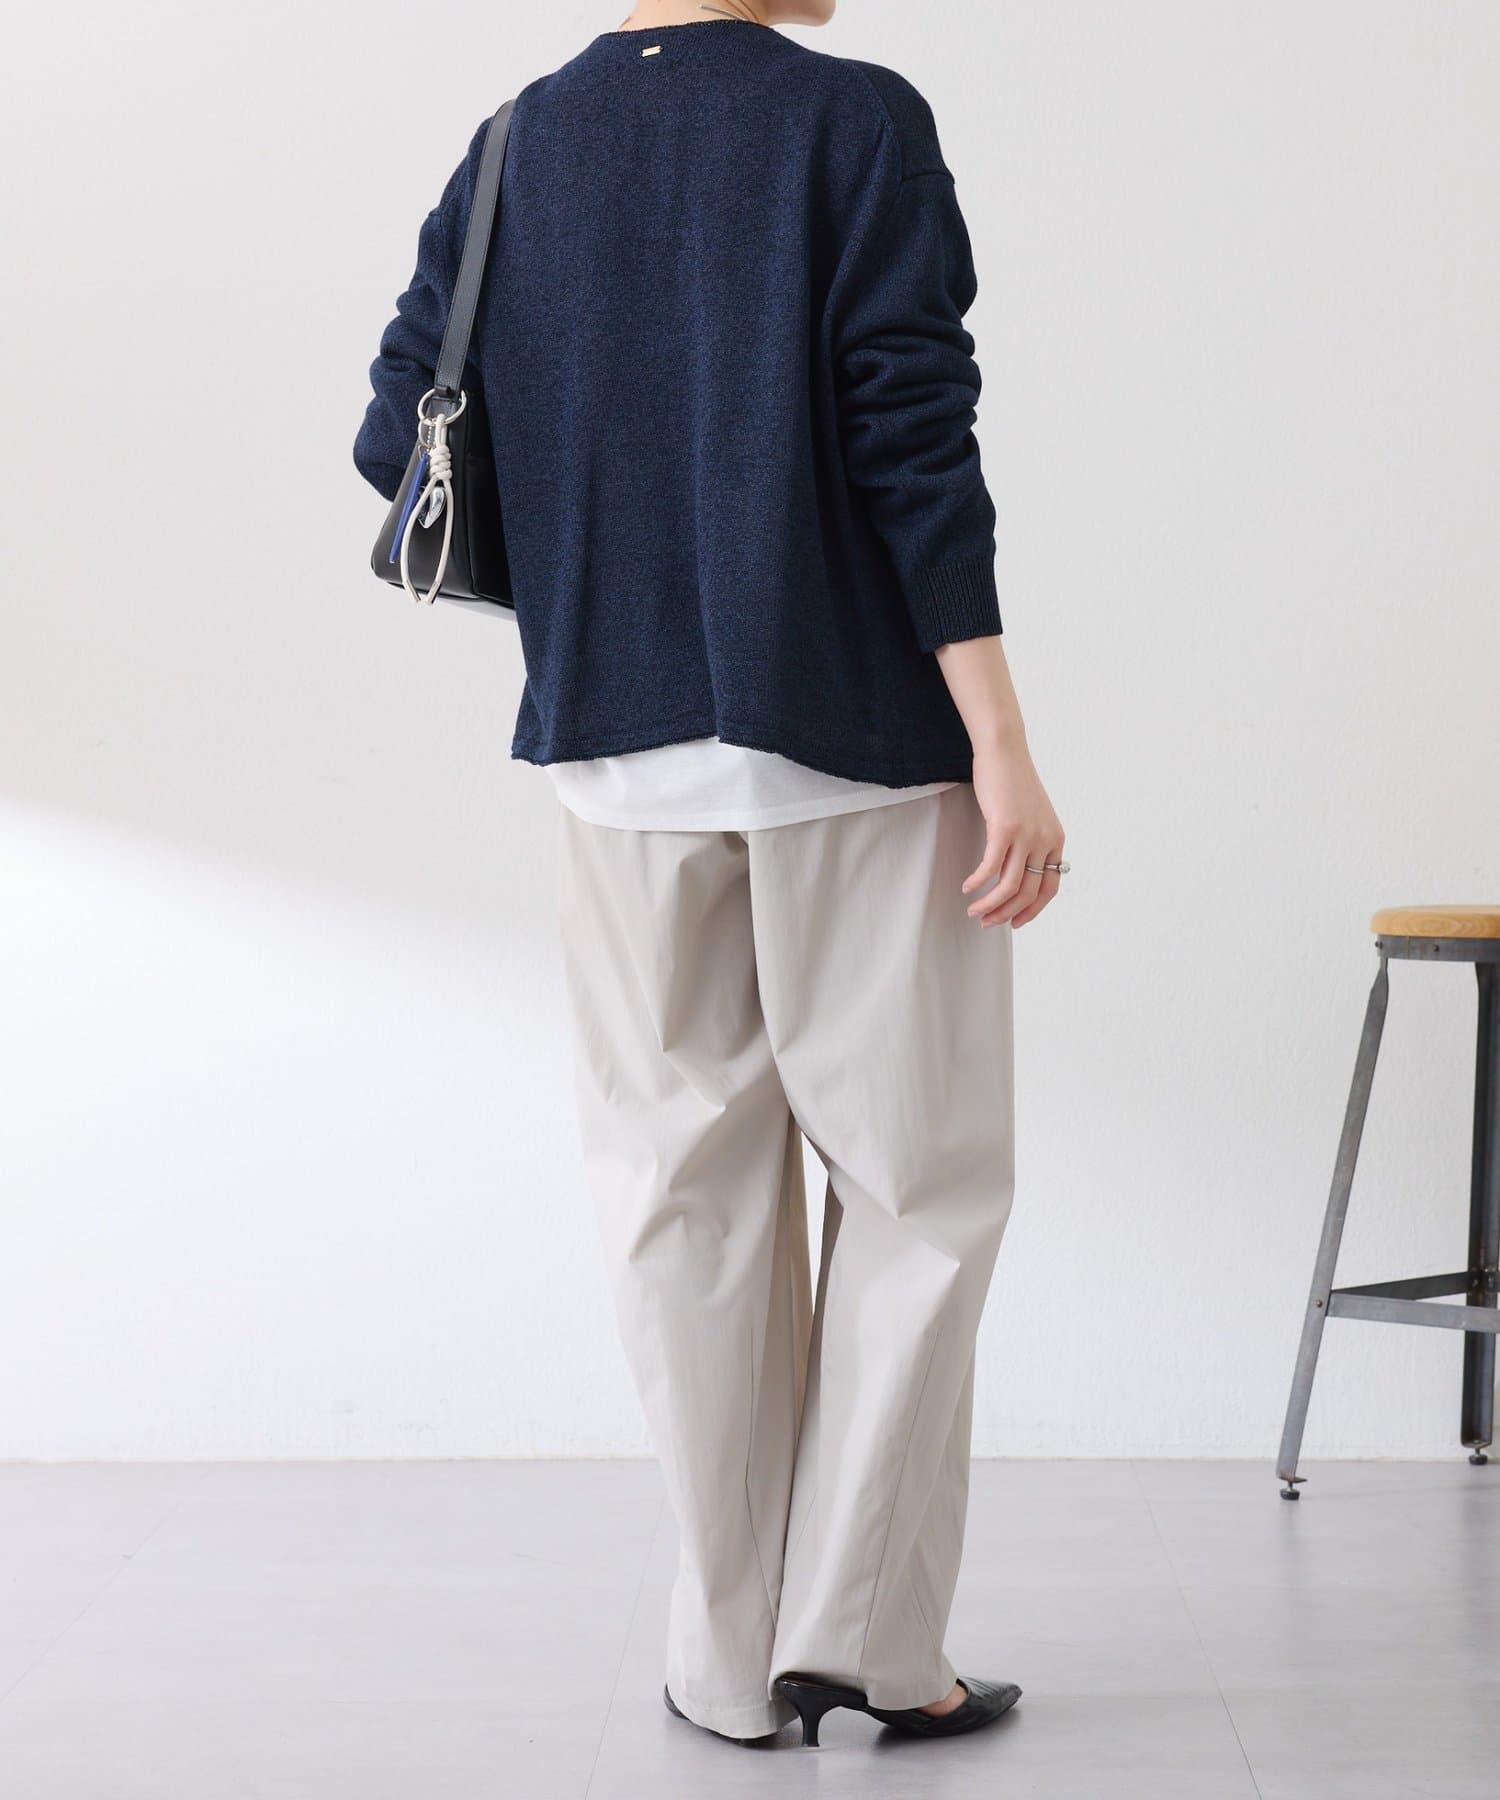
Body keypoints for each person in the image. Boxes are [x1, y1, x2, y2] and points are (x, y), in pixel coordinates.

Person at [353, 0, 1066, 1750]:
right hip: (854, 740)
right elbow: (913, 432)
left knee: (686, 1198)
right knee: (916, 1184)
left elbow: (394, 431)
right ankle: (869, 1642)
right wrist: (1000, 737)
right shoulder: (853, 119)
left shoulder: (521, 140)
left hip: (614, 755)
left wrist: (613, 560)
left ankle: (729, 1664)